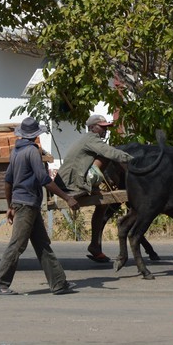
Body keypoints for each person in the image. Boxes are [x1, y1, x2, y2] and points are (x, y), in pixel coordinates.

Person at [0, 117, 81, 296]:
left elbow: (8, 181)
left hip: (24, 203)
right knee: (17, 245)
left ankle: (58, 283)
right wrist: (67, 197)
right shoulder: (32, 151)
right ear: (35, 135)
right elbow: (44, 180)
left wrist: (10, 205)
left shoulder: (15, 151)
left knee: (42, 244)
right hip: (27, 204)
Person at [56, 113, 135, 263]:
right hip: (71, 184)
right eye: (102, 127)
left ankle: (95, 246)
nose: (105, 130)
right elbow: (111, 153)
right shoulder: (91, 139)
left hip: (74, 179)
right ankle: (128, 179)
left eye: (106, 128)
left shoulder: (91, 140)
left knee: (103, 206)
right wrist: (135, 160)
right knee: (108, 154)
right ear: (92, 128)